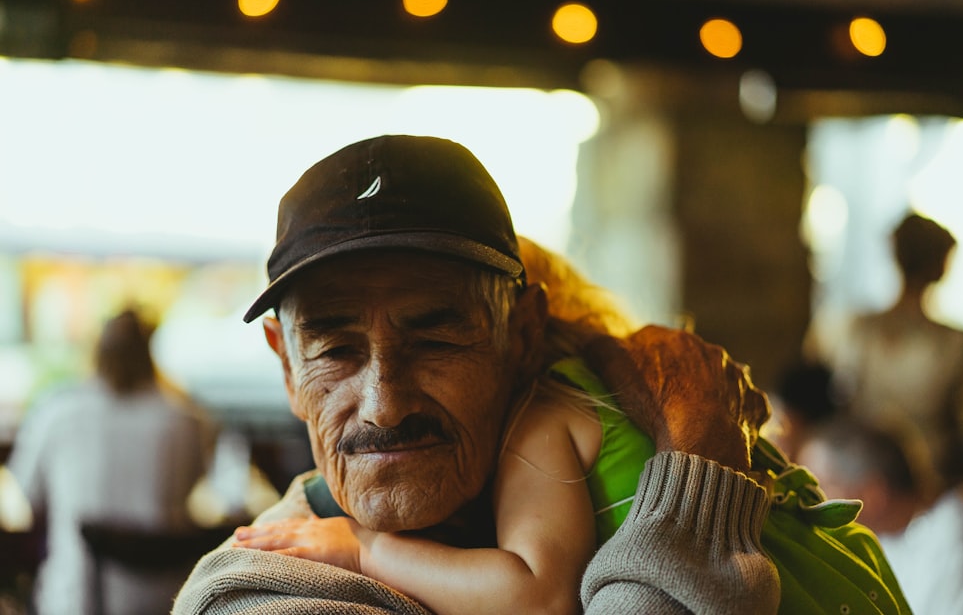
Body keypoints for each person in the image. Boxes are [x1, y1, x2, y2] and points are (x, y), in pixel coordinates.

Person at [173, 134, 781, 614]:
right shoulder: (259, 592)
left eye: (435, 338)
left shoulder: (545, 465)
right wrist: (704, 449)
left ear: (521, 336)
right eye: (336, 351)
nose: (385, 405)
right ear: (286, 365)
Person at [7, 309, 214, 615]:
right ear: (149, 353)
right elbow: (194, 490)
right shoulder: (187, 420)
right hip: (167, 599)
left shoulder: (56, 412)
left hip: (74, 600)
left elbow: (29, 499)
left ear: (95, 352)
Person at [827, 213, 963, 496]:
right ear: (941, 264)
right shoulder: (959, 343)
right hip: (932, 489)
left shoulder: (858, 330)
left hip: (862, 485)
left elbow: (841, 404)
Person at [798, 415, 963, 615]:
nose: (806, 503)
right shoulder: (876, 540)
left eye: (820, 488)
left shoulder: (957, 540)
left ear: (872, 494)